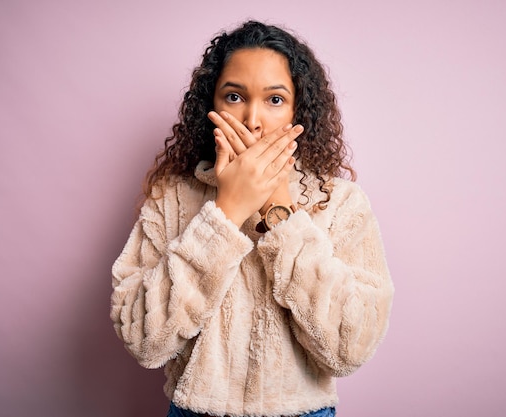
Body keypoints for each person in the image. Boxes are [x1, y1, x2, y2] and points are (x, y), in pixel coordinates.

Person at [110, 20, 394, 417]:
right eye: (234, 96)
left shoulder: (341, 203)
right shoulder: (171, 198)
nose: (253, 120)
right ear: (212, 106)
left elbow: (349, 350)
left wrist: (279, 209)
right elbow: (144, 341)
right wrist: (227, 212)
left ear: (300, 112)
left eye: (275, 100)